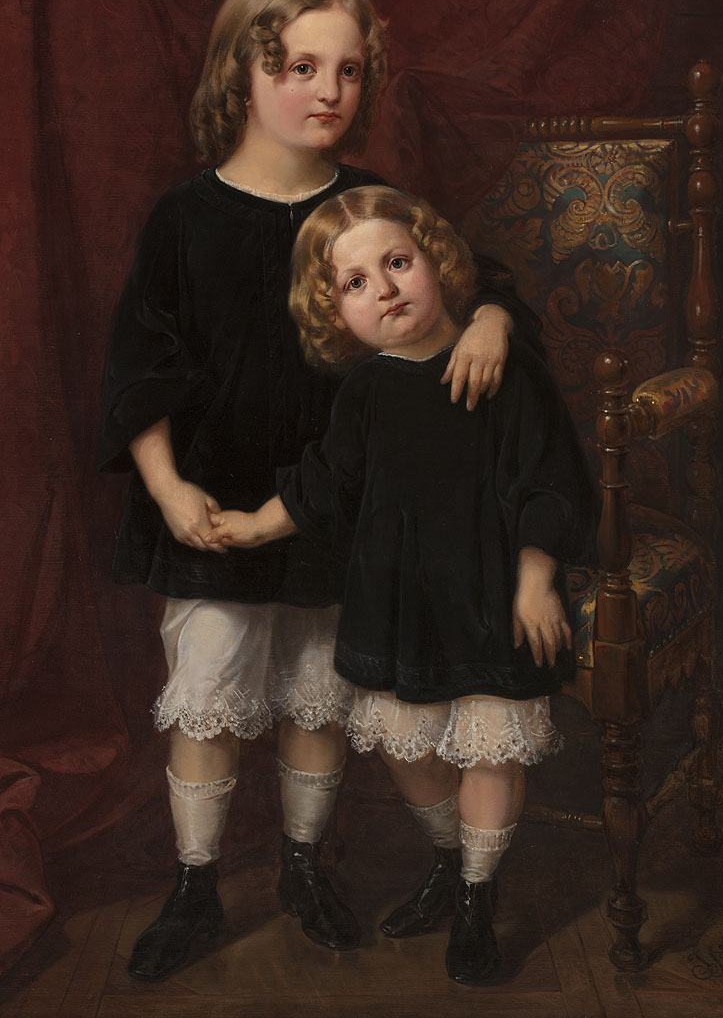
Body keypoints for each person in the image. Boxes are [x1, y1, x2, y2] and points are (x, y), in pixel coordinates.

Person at [99, 0, 531, 982]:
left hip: (342, 507)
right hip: (215, 500)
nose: (328, 91)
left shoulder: (368, 208)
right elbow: (139, 370)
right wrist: (168, 489)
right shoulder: (184, 218)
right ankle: (196, 886)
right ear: (240, 75)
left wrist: (491, 319)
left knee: (316, 698)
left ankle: (302, 866)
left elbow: (475, 282)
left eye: (347, 70)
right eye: (300, 67)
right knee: (208, 693)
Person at [208, 185, 596, 987]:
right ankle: (451, 862)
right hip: (399, 601)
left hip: (490, 590)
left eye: (396, 263)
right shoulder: (366, 390)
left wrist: (534, 579)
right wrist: (251, 526)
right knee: (406, 747)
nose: (383, 290)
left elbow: (550, 481)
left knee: (488, 748)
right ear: (336, 313)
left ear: (436, 262)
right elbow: (324, 484)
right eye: (356, 283)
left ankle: (478, 899)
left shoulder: (502, 367)